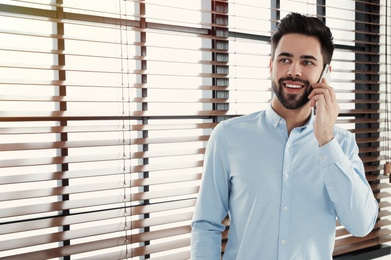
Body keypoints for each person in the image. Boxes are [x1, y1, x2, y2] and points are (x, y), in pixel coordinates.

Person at [191, 12, 378, 259]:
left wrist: (326, 141)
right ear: (271, 65)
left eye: (308, 62)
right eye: (285, 59)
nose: (294, 71)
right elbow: (206, 225)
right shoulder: (228, 137)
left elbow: (362, 225)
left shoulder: (341, 144)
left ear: (325, 74)